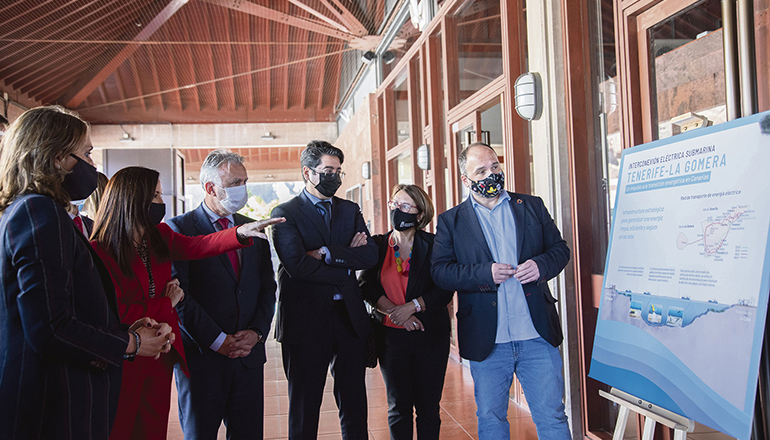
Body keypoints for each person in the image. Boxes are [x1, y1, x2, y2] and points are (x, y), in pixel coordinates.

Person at [0, 106, 174, 440]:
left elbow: (66, 306)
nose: (93, 165)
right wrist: (131, 343)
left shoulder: (37, 211)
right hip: (52, 405)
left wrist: (122, 329)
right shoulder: (38, 213)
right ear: (57, 158)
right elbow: (50, 327)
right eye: (87, 153)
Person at [90, 166, 284, 440]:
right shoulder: (100, 250)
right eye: (155, 196)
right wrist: (164, 303)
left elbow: (199, 246)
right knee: (121, 428)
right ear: (133, 199)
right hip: (127, 355)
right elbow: (116, 310)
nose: (161, 202)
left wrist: (239, 233)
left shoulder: (158, 236)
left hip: (161, 353)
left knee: (152, 429)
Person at [431, 142, 572, 440]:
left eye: (495, 166)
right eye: (481, 170)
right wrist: (485, 273)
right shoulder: (451, 221)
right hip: (488, 340)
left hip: (537, 335)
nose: (491, 174)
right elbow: (441, 272)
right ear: (466, 180)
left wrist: (541, 265)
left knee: (552, 416)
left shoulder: (531, 206)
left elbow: (560, 250)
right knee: (492, 418)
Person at [271, 140, 378, 440]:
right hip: (305, 320)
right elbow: (297, 266)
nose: (335, 177)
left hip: (349, 318)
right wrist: (346, 261)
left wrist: (326, 252)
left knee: (355, 402)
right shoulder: (285, 213)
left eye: (339, 171)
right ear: (308, 172)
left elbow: (369, 255)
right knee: (305, 406)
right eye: (328, 170)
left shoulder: (350, 209)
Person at [167, 149, 277, 440]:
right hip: (203, 360)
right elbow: (180, 296)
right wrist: (218, 341)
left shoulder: (252, 228)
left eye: (245, 181)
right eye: (234, 183)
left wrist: (256, 332)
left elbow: (268, 288)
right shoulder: (180, 229)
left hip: (248, 357)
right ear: (210, 188)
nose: (242, 189)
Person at [359, 184, 453, 440]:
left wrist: (413, 307)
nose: (396, 210)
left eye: (404, 206)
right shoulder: (377, 246)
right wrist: (395, 312)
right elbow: (366, 286)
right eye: (394, 204)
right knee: (398, 407)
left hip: (430, 336)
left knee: (428, 408)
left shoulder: (436, 245)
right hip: (391, 339)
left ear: (420, 214)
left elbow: (445, 287)